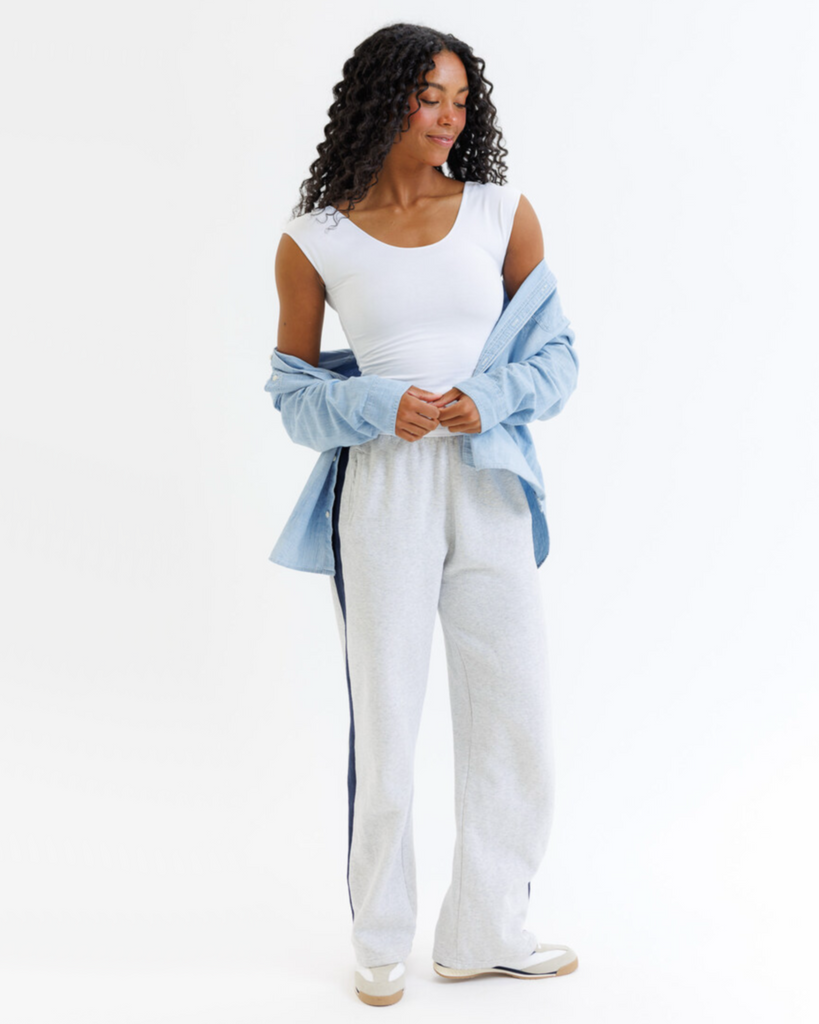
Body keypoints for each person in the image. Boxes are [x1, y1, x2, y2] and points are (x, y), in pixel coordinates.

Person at [270, 22, 579, 1007]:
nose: (450, 117)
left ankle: (487, 929)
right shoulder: (316, 236)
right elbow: (290, 394)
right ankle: (380, 939)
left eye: (459, 99)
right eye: (428, 96)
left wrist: (487, 400)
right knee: (389, 720)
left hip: (486, 478)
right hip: (382, 493)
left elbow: (557, 360)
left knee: (514, 712)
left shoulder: (501, 213)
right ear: (381, 97)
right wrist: (377, 405)